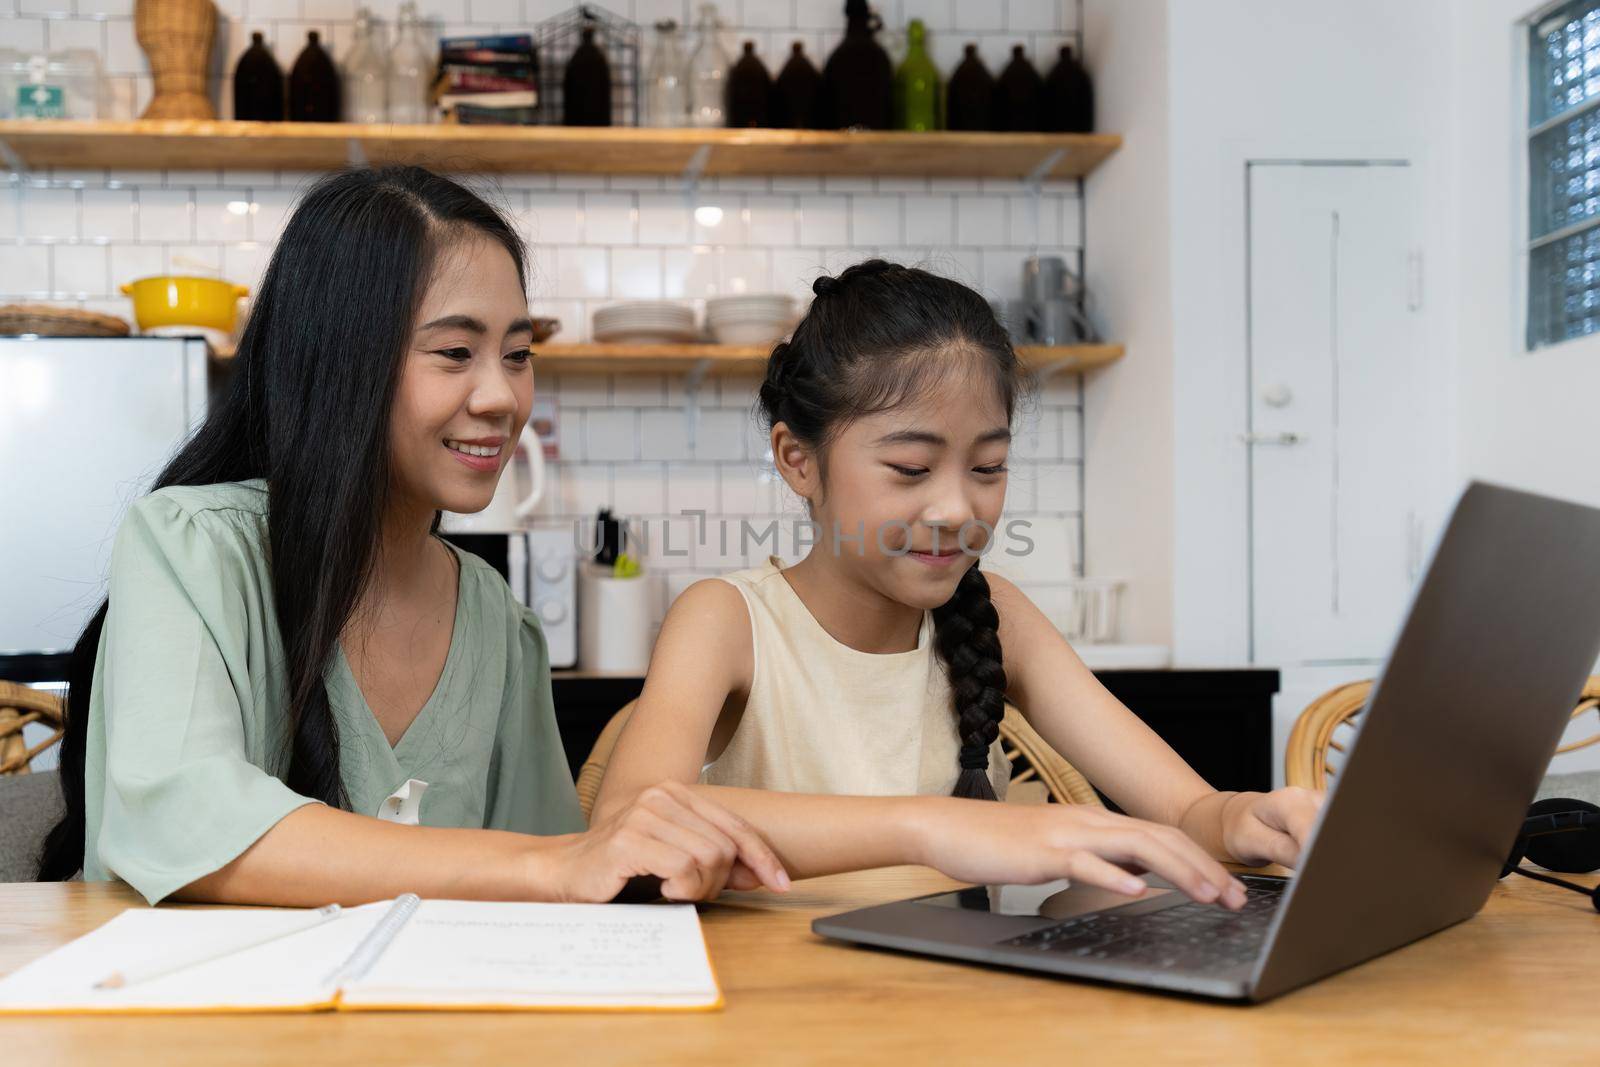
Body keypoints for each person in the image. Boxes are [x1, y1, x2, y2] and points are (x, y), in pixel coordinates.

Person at [35, 166, 788, 907]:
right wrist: (547, 867)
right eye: (455, 353)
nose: (501, 396)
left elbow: (563, 872)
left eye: (518, 355)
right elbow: (182, 821)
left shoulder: (493, 615)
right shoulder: (192, 548)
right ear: (343, 362)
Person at [595, 260, 1325, 909]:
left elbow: (1186, 805)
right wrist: (933, 826)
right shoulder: (728, 620)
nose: (956, 509)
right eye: (912, 468)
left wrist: (1238, 818)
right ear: (798, 459)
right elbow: (630, 818)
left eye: (987, 468)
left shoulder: (997, 613)